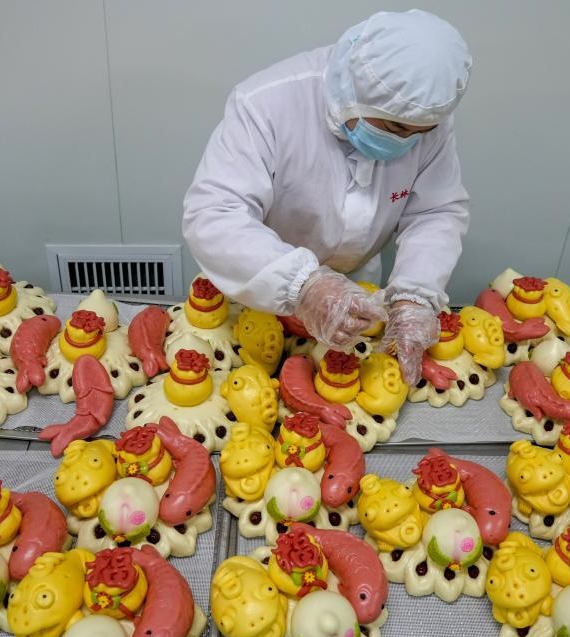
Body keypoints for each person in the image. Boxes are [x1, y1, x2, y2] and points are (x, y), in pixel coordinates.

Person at [182, 9, 472, 385]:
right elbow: (214, 214)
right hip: (257, 284)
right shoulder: (266, 104)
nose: (408, 141)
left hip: (358, 295)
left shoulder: (424, 117)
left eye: (421, 133)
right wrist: (303, 285)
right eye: (394, 128)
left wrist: (415, 294)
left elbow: (436, 211)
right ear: (353, 93)